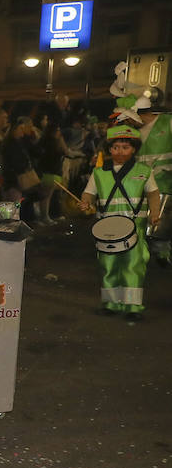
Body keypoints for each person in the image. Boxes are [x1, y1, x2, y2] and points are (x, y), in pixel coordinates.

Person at [80, 123, 160, 322]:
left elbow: (153, 193)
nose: (120, 151)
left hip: (135, 228)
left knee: (134, 265)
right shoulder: (99, 173)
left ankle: (133, 306)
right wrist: (85, 203)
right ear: (109, 149)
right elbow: (88, 193)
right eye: (115, 147)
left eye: (125, 147)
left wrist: (155, 212)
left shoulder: (144, 171)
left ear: (134, 149)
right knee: (107, 265)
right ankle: (111, 304)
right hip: (106, 228)